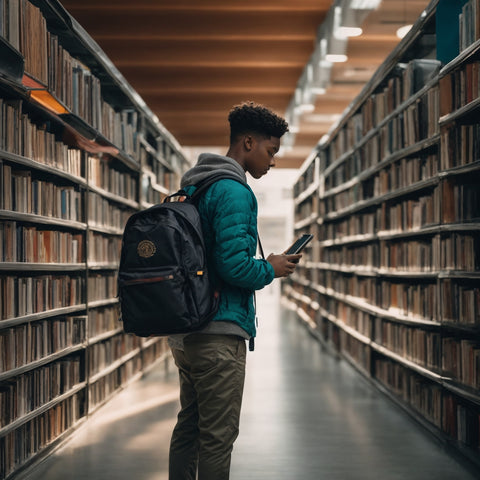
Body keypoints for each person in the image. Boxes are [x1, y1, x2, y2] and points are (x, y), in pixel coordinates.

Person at [168, 101, 301, 480]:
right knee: (217, 437)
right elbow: (234, 266)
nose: (272, 161)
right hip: (218, 332)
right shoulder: (234, 192)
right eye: (270, 151)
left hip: (186, 331)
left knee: (188, 428)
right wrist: (271, 269)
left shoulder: (196, 185)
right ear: (247, 143)